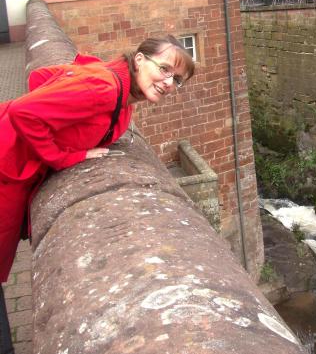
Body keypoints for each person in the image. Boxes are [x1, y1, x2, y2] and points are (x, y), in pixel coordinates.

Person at [0, 35, 195, 354]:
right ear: (140, 60)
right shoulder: (105, 88)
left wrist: (60, 113)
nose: (168, 82)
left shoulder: (120, 97)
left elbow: (41, 77)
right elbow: (24, 113)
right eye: (164, 69)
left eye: (177, 80)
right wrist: (63, 157)